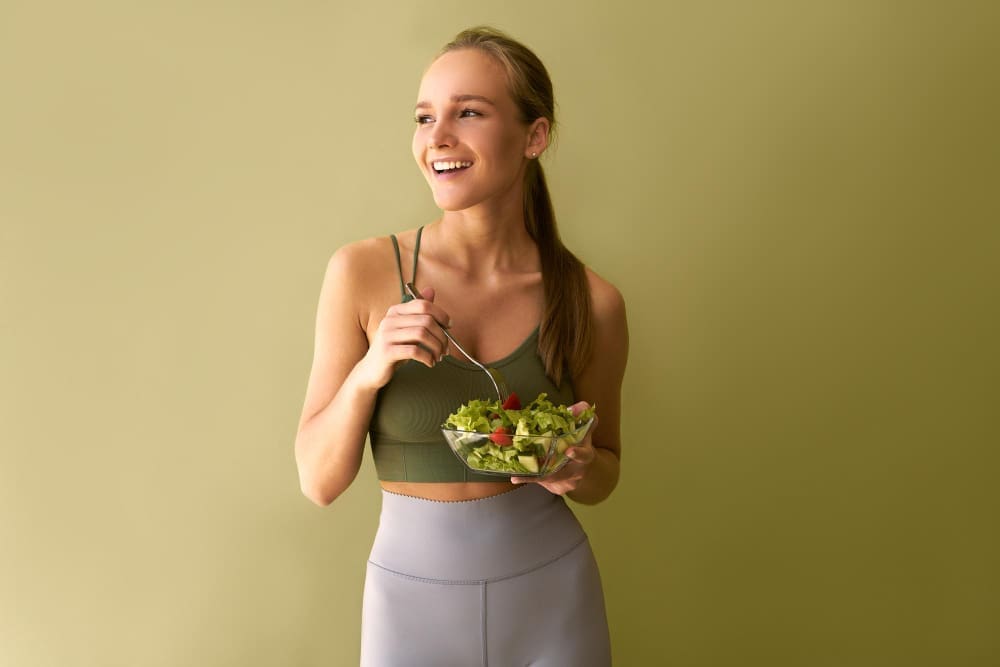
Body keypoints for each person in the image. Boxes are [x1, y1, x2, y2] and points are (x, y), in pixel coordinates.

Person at [294, 26, 628, 667]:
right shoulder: (363, 272)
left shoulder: (593, 302)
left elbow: (607, 467)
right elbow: (318, 481)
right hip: (409, 604)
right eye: (425, 117)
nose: (437, 137)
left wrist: (580, 467)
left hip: (552, 595)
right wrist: (370, 371)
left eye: (468, 112)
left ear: (534, 136)